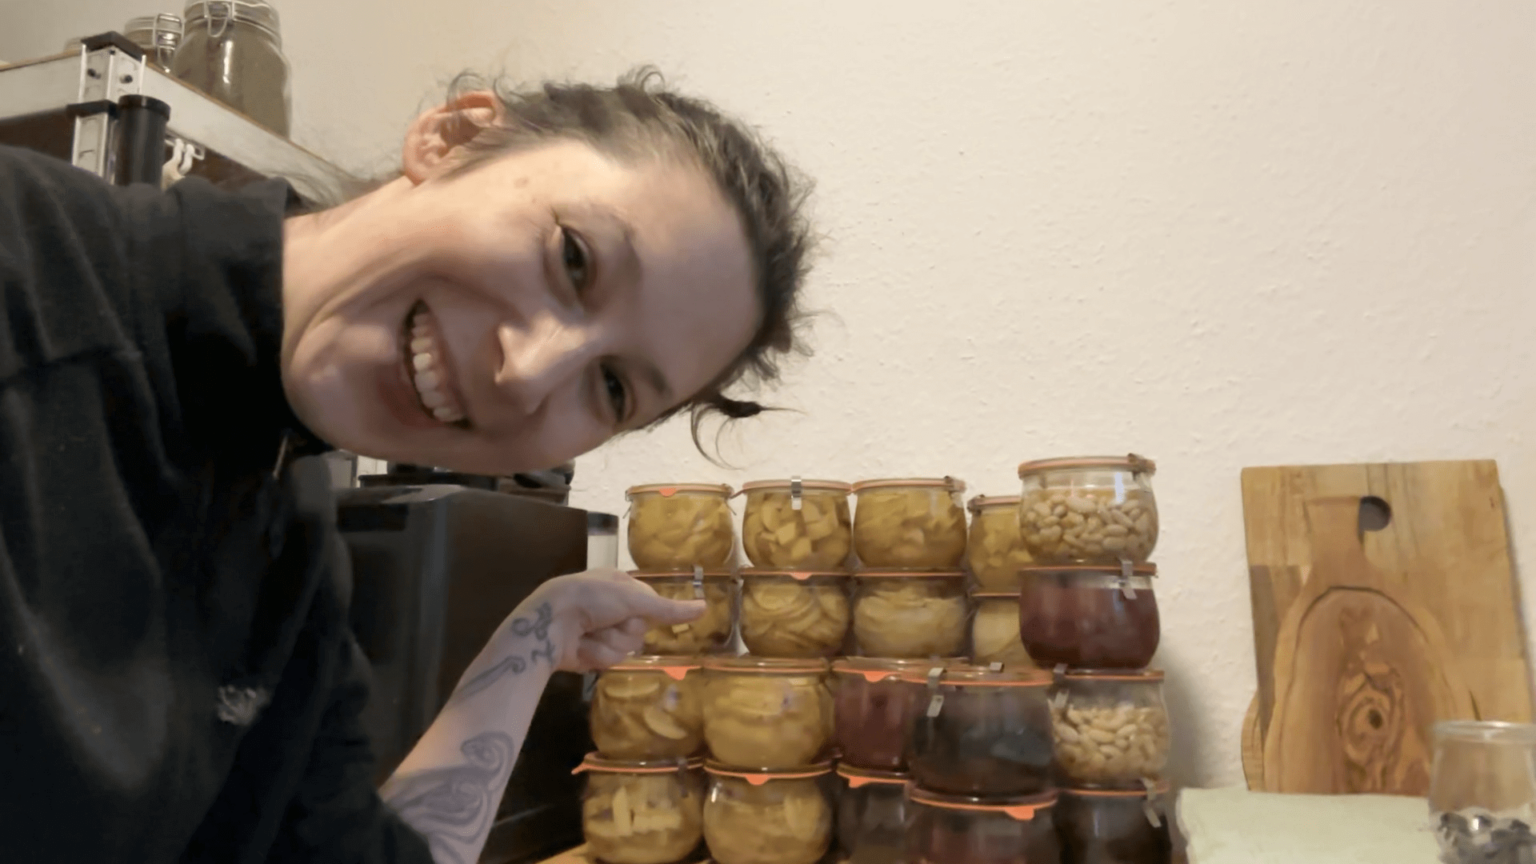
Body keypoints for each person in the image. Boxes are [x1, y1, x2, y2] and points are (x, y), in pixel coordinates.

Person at [0, 69, 813, 863]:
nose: (525, 373)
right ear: (453, 140)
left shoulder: (284, 536)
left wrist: (534, 639)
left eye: (610, 386)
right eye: (572, 259)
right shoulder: (23, 266)